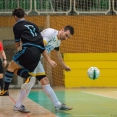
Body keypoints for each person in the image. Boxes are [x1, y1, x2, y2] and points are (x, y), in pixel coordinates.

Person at [0, 7, 57, 101]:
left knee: (10, 67)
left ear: (15, 17)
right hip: (37, 55)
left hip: (28, 51)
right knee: (13, 69)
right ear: (25, 16)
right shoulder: (34, 25)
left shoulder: (16, 26)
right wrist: (49, 60)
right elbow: (42, 45)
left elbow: (17, 44)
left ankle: (5, 90)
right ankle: (28, 76)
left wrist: (19, 48)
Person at [13, 25, 74, 112]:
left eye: (68, 37)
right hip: (32, 57)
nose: (66, 38)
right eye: (66, 35)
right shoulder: (50, 33)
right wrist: (49, 60)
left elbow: (58, 55)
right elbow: (40, 47)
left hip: (37, 59)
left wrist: (64, 66)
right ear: (62, 29)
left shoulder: (58, 42)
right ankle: (18, 105)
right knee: (30, 82)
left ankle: (57, 105)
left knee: (44, 80)